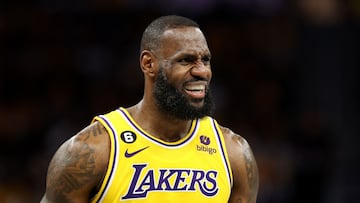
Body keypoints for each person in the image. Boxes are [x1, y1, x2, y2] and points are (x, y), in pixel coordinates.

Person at [41, 15, 259, 203]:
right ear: (148, 64)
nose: (202, 71)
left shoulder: (233, 153)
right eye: (186, 60)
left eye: (206, 60)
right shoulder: (91, 151)